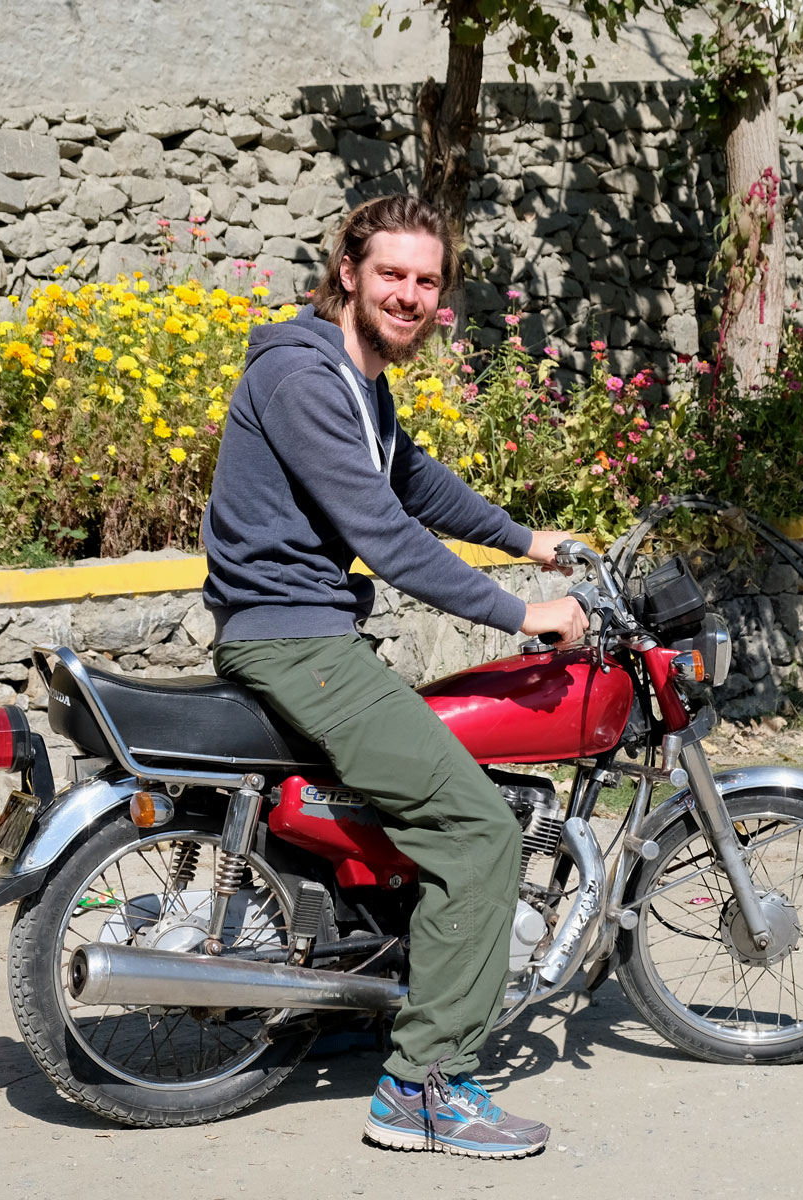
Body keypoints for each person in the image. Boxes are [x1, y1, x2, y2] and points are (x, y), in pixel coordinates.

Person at [200, 194, 585, 1158]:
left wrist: (529, 540)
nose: (410, 295)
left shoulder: (357, 378)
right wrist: (521, 612)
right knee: (480, 829)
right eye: (392, 275)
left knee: (428, 798)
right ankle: (423, 1090)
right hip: (296, 643)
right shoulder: (304, 378)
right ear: (348, 269)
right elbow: (382, 532)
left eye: (426, 281)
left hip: (309, 635)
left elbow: (414, 480)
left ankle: (375, 985)